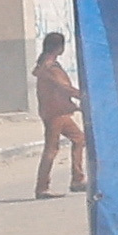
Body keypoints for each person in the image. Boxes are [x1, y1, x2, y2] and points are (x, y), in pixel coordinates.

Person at [31, 22, 85, 199]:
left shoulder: (47, 65)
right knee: (51, 150)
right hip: (56, 114)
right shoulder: (50, 68)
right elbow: (64, 89)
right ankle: (42, 188)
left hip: (58, 112)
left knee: (79, 139)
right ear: (58, 48)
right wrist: (83, 98)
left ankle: (77, 179)